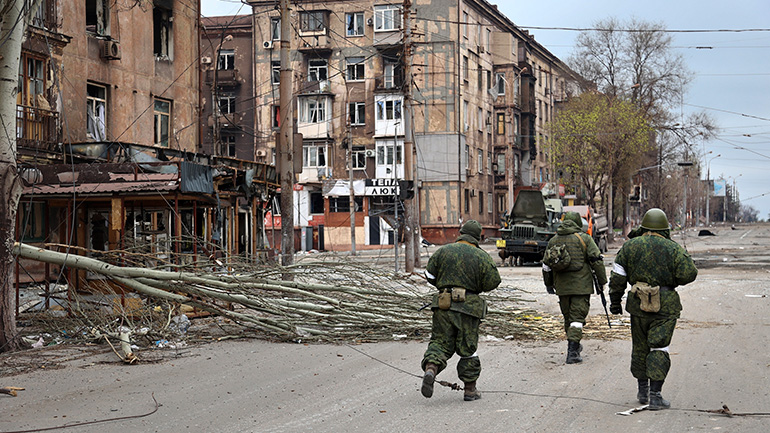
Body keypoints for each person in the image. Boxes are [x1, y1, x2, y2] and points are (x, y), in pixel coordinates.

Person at [609, 208, 697, 410]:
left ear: (644, 226)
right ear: (665, 228)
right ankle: (656, 396)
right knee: (659, 347)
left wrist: (615, 302)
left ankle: (643, 391)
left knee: (640, 347)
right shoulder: (673, 248)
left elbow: (617, 277)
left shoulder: (630, 246)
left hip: (638, 305)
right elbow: (689, 273)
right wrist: (670, 279)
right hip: (664, 306)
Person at [421, 220, 501, 401]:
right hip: (468, 307)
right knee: (468, 347)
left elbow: (429, 275)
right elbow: (493, 281)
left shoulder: (443, 251)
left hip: (443, 304)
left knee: (440, 342)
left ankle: (431, 369)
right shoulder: (481, 256)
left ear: (461, 233)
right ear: (478, 237)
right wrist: (476, 287)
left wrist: (444, 285)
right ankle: (470, 390)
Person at [542, 211, 607, 364]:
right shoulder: (584, 239)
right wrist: (602, 281)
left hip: (562, 287)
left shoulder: (553, 240)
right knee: (577, 319)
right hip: (581, 287)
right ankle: (572, 353)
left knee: (568, 318)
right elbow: (597, 261)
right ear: (578, 223)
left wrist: (549, 284)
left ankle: (574, 345)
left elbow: (546, 266)